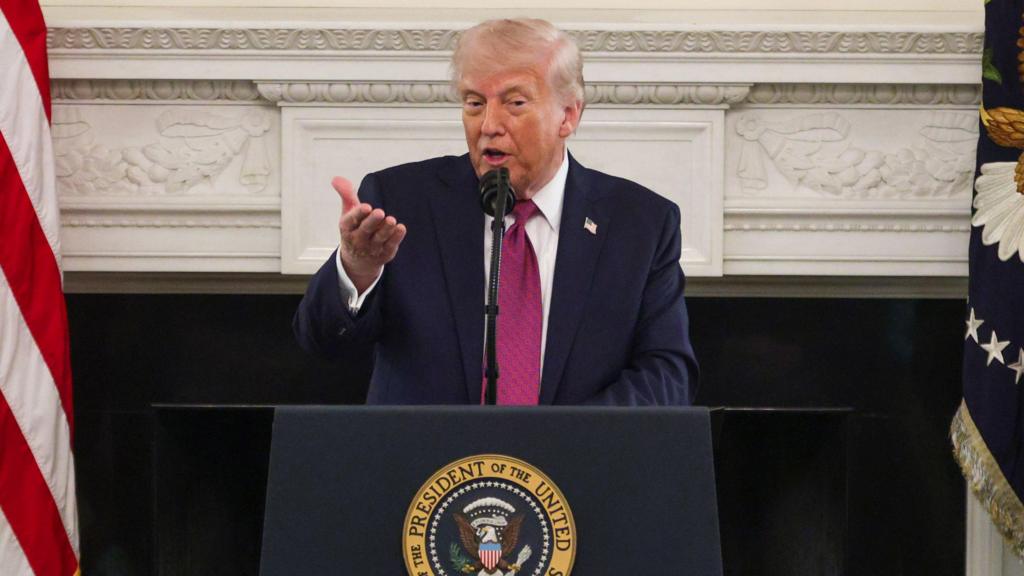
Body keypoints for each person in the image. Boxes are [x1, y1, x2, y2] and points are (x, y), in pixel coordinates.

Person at [294, 18, 698, 405]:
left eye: (515, 103)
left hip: (573, 471)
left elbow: (667, 377)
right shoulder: (401, 202)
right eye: (474, 103)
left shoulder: (640, 224)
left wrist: (563, 441)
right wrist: (357, 269)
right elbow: (324, 345)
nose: (488, 124)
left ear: (569, 115)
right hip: (426, 470)